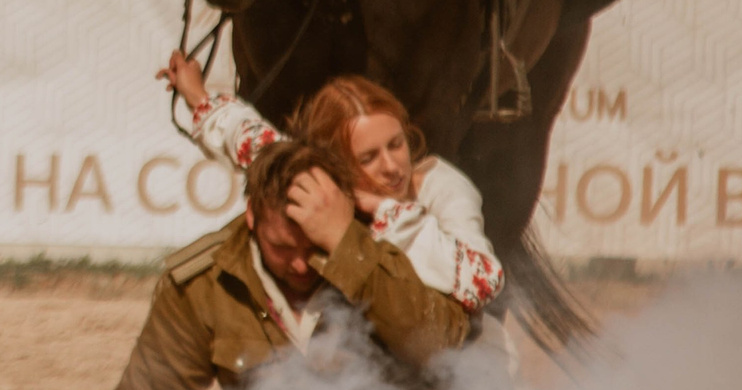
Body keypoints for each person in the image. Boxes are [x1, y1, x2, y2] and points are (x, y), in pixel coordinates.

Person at [88, 138, 469, 390]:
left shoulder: (394, 247)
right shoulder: (203, 285)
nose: (300, 266)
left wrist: (347, 247)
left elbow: (443, 350)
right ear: (251, 217)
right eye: (282, 249)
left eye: (314, 248)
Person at [160, 57, 504, 314]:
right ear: (337, 160)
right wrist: (196, 93)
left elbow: (484, 281)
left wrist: (385, 210)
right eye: (368, 157)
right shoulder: (320, 180)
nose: (391, 166)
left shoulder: (444, 186)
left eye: (396, 144)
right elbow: (248, 136)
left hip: (463, 362)